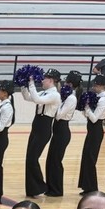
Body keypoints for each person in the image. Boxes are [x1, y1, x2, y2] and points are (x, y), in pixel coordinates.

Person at [21, 68, 61, 198]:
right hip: (36, 125)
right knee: (29, 158)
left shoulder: (54, 95)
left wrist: (32, 82)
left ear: (51, 80)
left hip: (44, 127)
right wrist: (23, 84)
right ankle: (32, 189)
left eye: (44, 78)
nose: (42, 80)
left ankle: (40, 186)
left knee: (33, 158)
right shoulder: (45, 93)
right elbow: (28, 97)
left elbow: (37, 99)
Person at [45, 71, 82, 197]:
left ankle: (57, 190)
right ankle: (50, 187)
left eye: (66, 82)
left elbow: (59, 115)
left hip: (62, 131)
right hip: (57, 130)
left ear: (70, 84)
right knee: (51, 160)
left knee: (56, 161)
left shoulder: (71, 98)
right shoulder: (66, 96)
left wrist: (56, 103)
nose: (63, 84)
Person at [78, 74, 105, 193]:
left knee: (91, 159)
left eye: (96, 84)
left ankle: (92, 188)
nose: (94, 86)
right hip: (91, 131)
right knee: (86, 158)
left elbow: (94, 118)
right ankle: (86, 186)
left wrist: (86, 107)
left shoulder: (103, 100)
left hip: (96, 131)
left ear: (103, 86)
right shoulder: (97, 97)